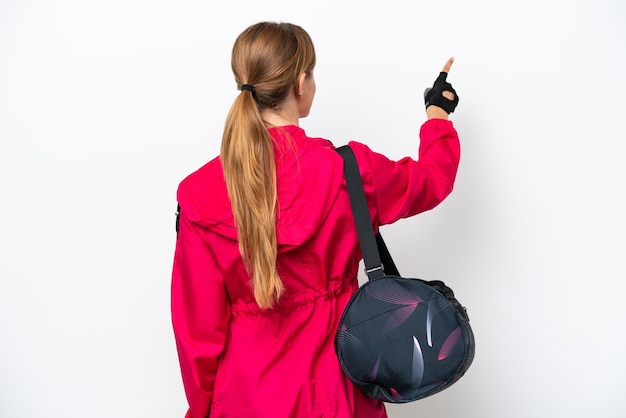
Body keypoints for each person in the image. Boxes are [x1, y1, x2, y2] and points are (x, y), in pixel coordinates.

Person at [171, 21, 461, 418]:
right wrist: (437, 116)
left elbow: (197, 335)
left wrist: (202, 410)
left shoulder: (200, 194)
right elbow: (433, 181)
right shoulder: (351, 171)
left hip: (247, 398)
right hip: (341, 391)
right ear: (301, 83)